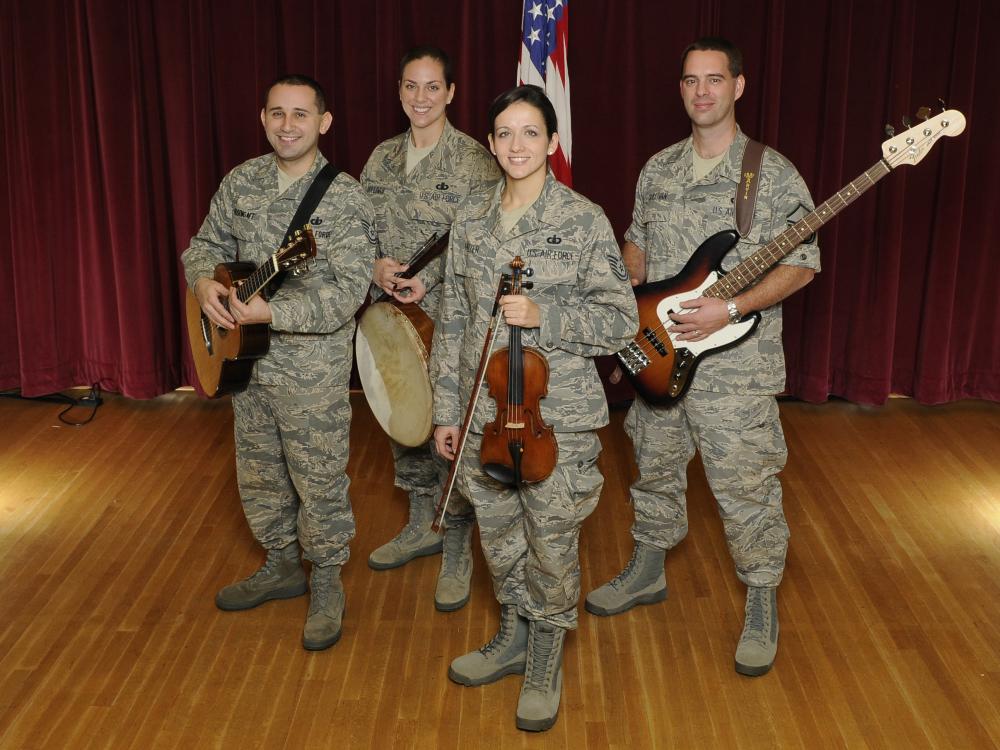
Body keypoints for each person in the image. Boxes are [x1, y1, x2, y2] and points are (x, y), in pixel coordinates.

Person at [585, 37, 820, 677]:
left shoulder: (770, 173)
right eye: (691, 80)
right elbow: (636, 245)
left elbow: (803, 262)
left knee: (745, 488)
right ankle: (648, 567)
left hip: (734, 373)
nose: (702, 92)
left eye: (714, 79)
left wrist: (734, 308)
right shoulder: (658, 168)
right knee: (653, 466)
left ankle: (762, 595)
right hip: (657, 354)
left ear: (738, 86)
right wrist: (627, 313)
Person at [431, 85, 638, 732]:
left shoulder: (582, 219)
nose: (516, 145)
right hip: (482, 417)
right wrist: (446, 411)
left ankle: (546, 646)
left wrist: (547, 316)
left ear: (552, 141)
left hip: (559, 419)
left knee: (551, 538)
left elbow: (621, 321)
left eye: (530, 132)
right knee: (499, 533)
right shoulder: (469, 221)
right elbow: (454, 322)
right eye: (504, 133)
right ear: (490, 144)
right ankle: (516, 629)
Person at [181, 74, 377, 651]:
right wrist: (201, 283)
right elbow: (205, 244)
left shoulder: (345, 199)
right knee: (260, 472)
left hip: (310, 371)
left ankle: (326, 580)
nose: (287, 125)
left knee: (317, 480)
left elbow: (347, 294)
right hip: (244, 365)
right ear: (262, 118)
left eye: (300, 114)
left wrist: (273, 309)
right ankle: (282, 563)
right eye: (276, 114)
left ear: (324, 122)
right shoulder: (240, 181)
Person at [361, 46, 501, 612]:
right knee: (404, 415)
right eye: (411, 87)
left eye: (432, 87)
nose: (421, 98)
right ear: (400, 92)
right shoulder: (382, 158)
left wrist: (431, 281)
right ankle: (421, 524)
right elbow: (358, 228)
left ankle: (459, 546)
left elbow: (485, 240)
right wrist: (374, 266)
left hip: (451, 318)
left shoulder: (474, 161)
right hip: (391, 315)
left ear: (450, 93)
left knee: (454, 431)